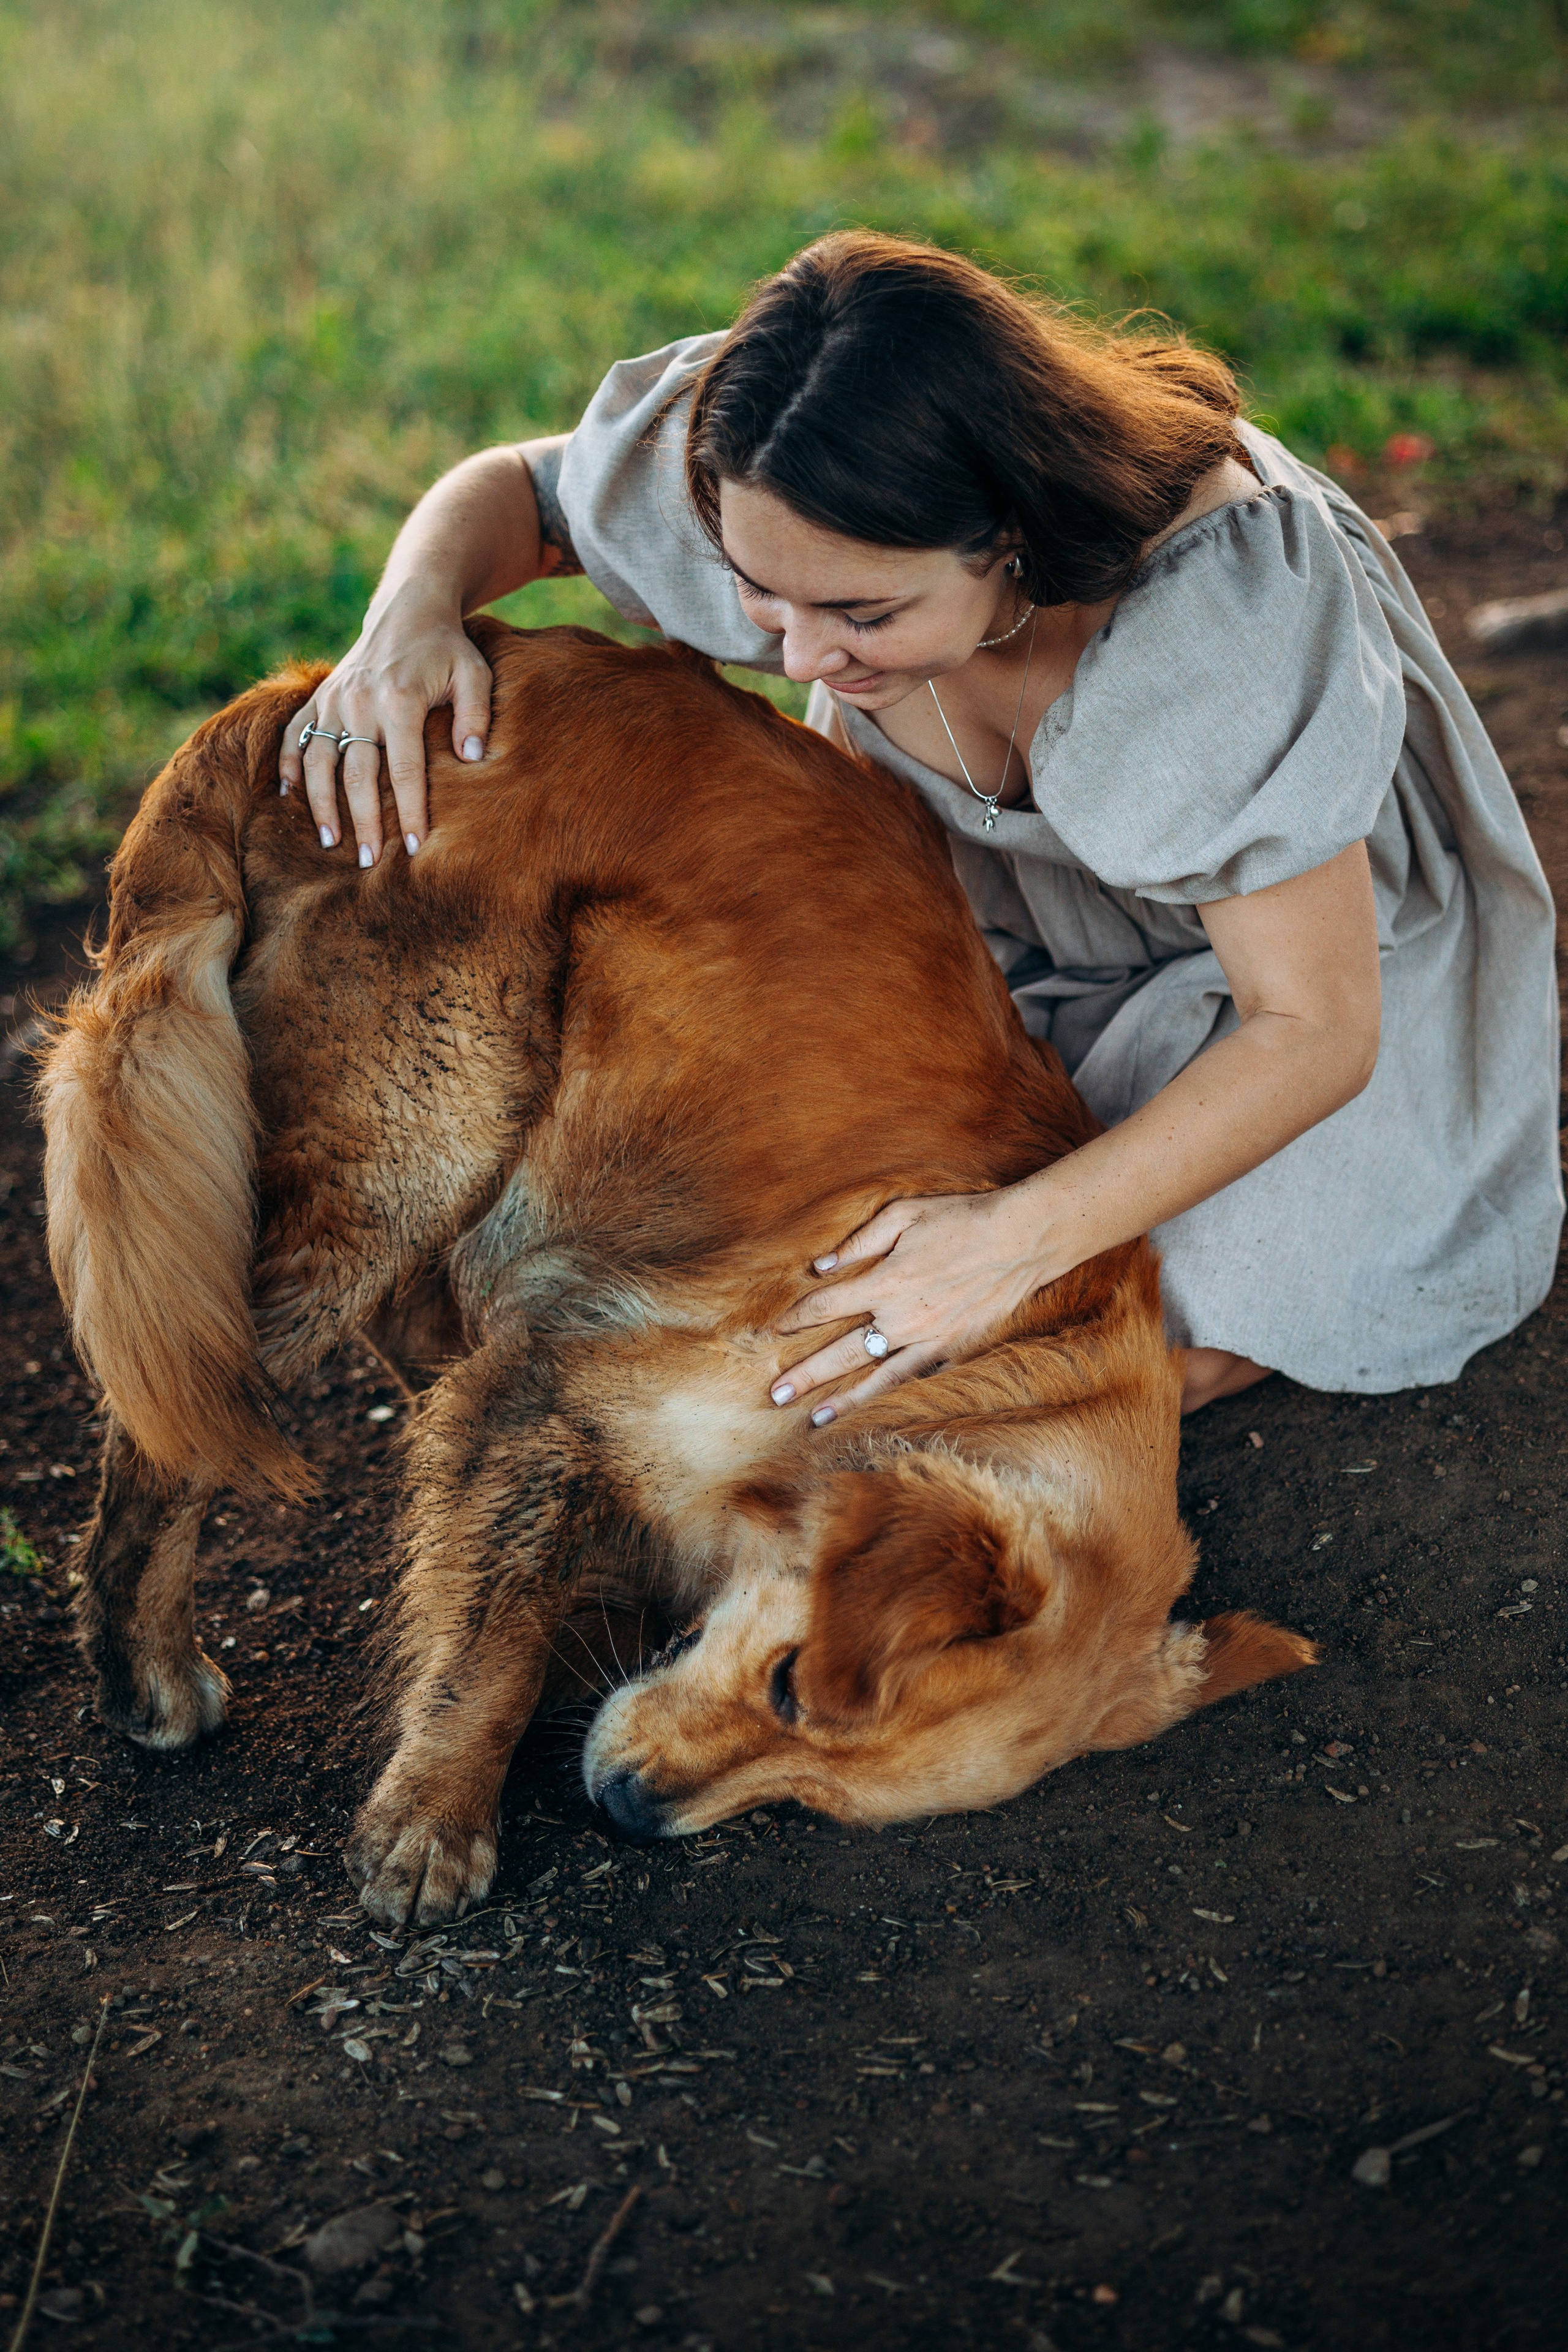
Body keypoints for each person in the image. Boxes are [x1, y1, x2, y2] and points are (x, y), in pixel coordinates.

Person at [279, 232, 1562, 1419]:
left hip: (1297, 981)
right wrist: (408, 612)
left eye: (861, 615)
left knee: (1135, 1330)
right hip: (979, 939)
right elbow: (525, 492)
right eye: (756, 592)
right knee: (798, 1261)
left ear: (1010, 534)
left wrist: (1012, 1242)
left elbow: (1315, 1029)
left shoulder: (1207, 628)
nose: (798, 655)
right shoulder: (785, 480)